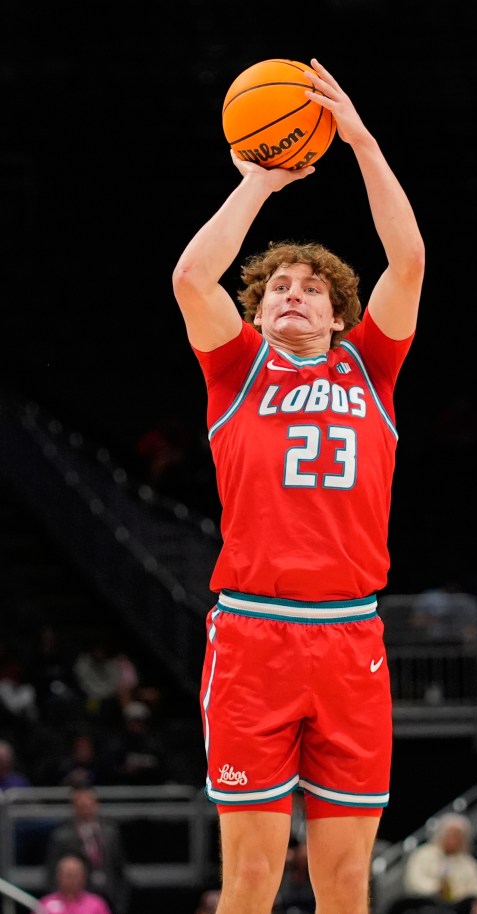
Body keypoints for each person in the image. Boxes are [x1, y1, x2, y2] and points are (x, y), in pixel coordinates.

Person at [172, 57, 425, 914]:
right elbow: (189, 279)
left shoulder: (372, 369)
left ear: (338, 315)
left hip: (351, 640)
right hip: (255, 637)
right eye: (278, 286)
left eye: (312, 289)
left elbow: (410, 256)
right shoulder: (237, 371)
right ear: (257, 312)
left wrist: (357, 138)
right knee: (247, 877)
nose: (293, 294)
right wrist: (257, 186)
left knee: (345, 881)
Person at [44, 785, 130, 914]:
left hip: (110, 893)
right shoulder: (62, 835)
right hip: (76, 898)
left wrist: (121, 901)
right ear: (74, 806)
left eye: (89, 802)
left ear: (96, 804)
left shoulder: (111, 831)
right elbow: (52, 873)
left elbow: (119, 868)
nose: (85, 807)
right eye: (81, 804)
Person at [402, 813, 477, 904]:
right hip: (427, 903)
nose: (454, 840)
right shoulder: (423, 854)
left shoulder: (469, 862)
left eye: (458, 836)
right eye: (451, 835)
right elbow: (414, 880)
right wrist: (436, 887)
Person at [39, 853, 112, 914]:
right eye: (69, 875)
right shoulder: (45, 904)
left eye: (77, 875)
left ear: (84, 877)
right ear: (59, 877)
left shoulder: (97, 904)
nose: (73, 879)